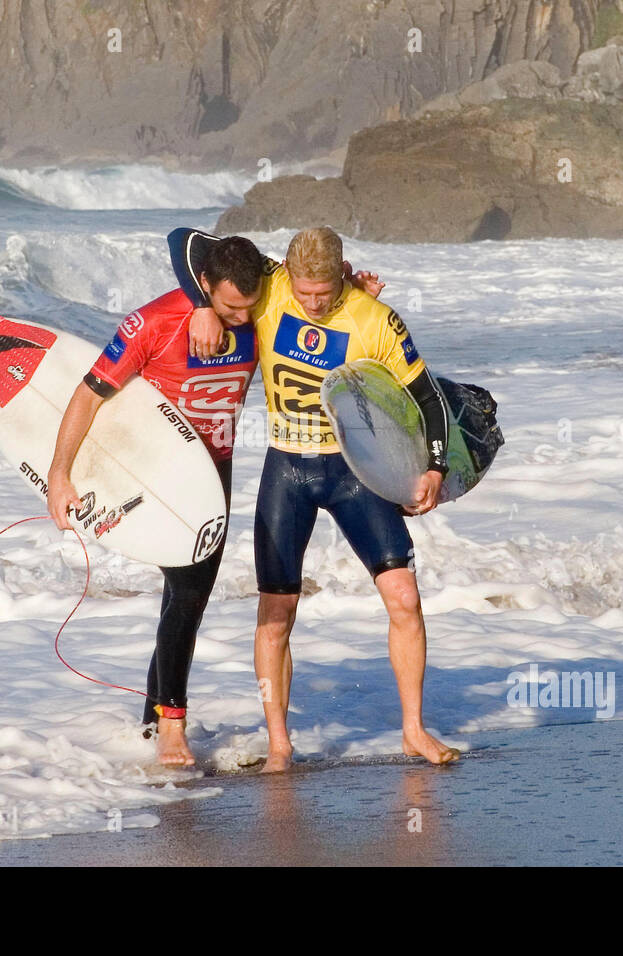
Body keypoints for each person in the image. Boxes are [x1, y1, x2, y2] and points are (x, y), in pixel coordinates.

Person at [169, 225, 460, 771]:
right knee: (277, 611)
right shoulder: (272, 285)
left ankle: (414, 730)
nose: (311, 304)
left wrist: (436, 467)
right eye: (303, 294)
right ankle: (279, 743)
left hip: (356, 472)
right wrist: (201, 303)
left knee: (404, 598)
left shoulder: (376, 318)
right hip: (288, 469)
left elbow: (428, 398)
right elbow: (184, 241)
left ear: (342, 277)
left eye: (323, 295)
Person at [45, 236, 266, 766]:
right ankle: (171, 728)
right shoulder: (153, 322)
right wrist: (59, 472)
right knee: (187, 596)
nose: (240, 316)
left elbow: (308, 284)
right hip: (162, 475)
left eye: (248, 307)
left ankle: (152, 722)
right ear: (206, 284)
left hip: (217, 471)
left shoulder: (258, 307)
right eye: (229, 305)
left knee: (184, 599)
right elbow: (88, 393)